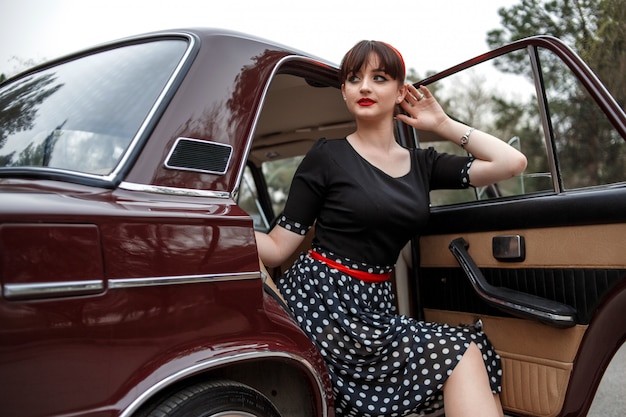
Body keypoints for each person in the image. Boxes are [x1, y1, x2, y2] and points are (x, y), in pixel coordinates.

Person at [255, 40, 527, 417]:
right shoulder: (326, 157)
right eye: (354, 78)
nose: (364, 87)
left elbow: (511, 162)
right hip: (321, 304)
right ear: (344, 92)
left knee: (473, 353)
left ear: (400, 92)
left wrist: (443, 124)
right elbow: (277, 248)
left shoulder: (423, 164)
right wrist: (218, 227)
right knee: (462, 353)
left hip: (375, 308)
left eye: (379, 77)